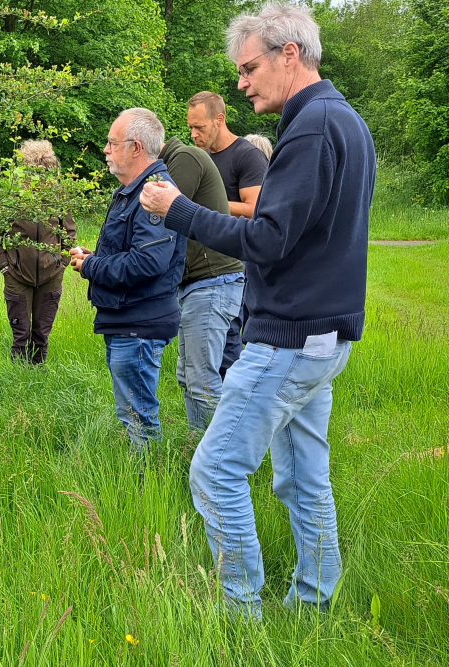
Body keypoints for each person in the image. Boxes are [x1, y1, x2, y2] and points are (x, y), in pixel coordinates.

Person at [141, 2, 376, 618]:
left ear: (289, 55)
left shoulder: (312, 128)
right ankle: (312, 606)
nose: (240, 83)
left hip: (291, 338)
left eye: (248, 68)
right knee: (301, 477)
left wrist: (178, 211)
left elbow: (268, 238)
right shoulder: (344, 121)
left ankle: (239, 615)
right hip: (323, 335)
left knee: (214, 473)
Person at [70, 109, 186, 455]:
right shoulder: (133, 190)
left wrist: (92, 266)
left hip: (139, 323)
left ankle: (145, 488)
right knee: (132, 414)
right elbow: (136, 253)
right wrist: (95, 259)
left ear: (136, 148)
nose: (105, 150)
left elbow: (149, 261)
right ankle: (142, 485)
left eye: (111, 143)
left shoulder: (153, 193)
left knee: (139, 418)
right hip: (126, 319)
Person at [158, 135, 242, 430]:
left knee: (202, 382)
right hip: (200, 283)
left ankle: (219, 460)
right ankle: (199, 449)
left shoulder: (183, 159)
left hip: (212, 280)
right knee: (189, 377)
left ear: (139, 145)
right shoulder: (175, 160)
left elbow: (161, 217)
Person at [187, 91, 270, 379]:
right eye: (190, 128)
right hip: (205, 266)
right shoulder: (200, 158)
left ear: (219, 120)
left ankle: (231, 407)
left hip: (238, 264)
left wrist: (206, 203)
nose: (194, 134)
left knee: (229, 341)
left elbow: (255, 209)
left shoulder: (247, 156)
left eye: (200, 127)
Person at [0, 140, 75, 364]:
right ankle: (17, 378)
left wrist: (61, 262)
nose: (39, 178)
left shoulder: (59, 196)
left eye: (45, 171)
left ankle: (38, 377)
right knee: (21, 335)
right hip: (17, 275)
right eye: (35, 172)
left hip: (51, 274)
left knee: (41, 335)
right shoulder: (11, 196)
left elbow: (69, 233)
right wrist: (5, 266)